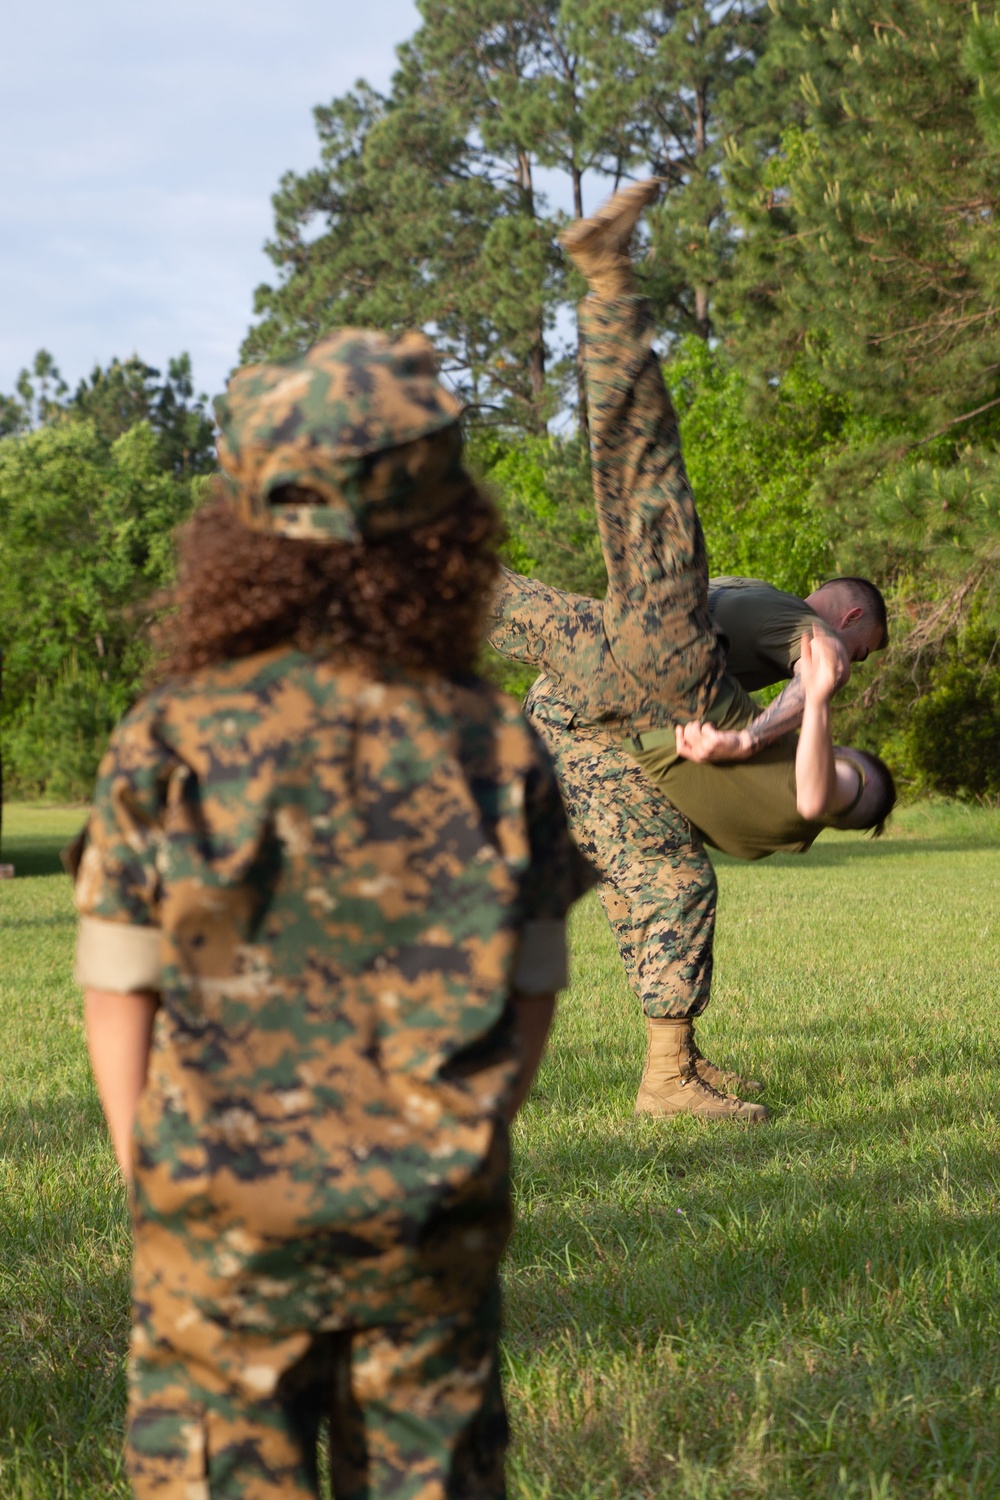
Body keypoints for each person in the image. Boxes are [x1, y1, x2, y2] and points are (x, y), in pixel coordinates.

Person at [72, 328, 592, 1500]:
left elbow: (123, 979)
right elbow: (533, 989)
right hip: (427, 1228)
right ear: (442, 529)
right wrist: (451, 1149)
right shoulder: (494, 741)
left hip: (214, 1227)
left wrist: (151, 1174)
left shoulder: (173, 734)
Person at [490, 179, 895, 1124]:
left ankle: (671, 1074)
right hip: (658, 676)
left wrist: (752, 741)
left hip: (586, 713)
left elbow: (803, 758)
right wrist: (763, 728)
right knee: (646, 497)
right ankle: (606, 277)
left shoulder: (786, 696)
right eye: (856, 636)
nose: (851, 653)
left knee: (663, 874)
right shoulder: (797, 626)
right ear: (842, 614)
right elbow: (813, 696)